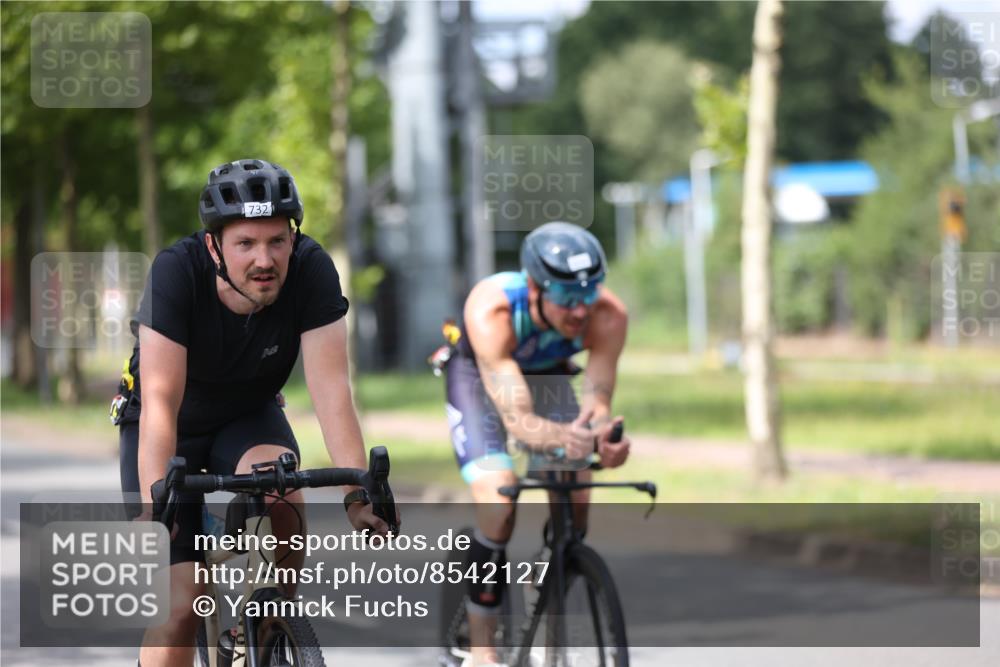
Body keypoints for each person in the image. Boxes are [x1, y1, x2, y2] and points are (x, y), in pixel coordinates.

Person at [116, 159, 389, 666]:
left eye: (277, 241)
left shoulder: (311, 270)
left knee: (282, 492)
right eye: (246, 243)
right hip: (168, 427)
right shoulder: (176, 272)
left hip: (246, 414)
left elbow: (332, 390)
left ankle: (267, 628)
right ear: (214, 246)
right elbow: (160, 401)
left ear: (293, 238)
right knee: (181, 603)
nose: (265, 259)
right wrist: (157, 507)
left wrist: (357, 494)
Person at [443, 221, 632, 667]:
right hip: (481, 380)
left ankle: (546, 573)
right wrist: (562, 438)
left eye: (588, 294)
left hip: (549, 378)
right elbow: (520, 421)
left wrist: (602, 440)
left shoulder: (608, 315)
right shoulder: (493, 311)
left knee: (578, 493)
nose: (580, 311)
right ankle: (483, 650)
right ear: (533, 288)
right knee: (499, 499)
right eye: (566, 297)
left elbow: (597, 404)